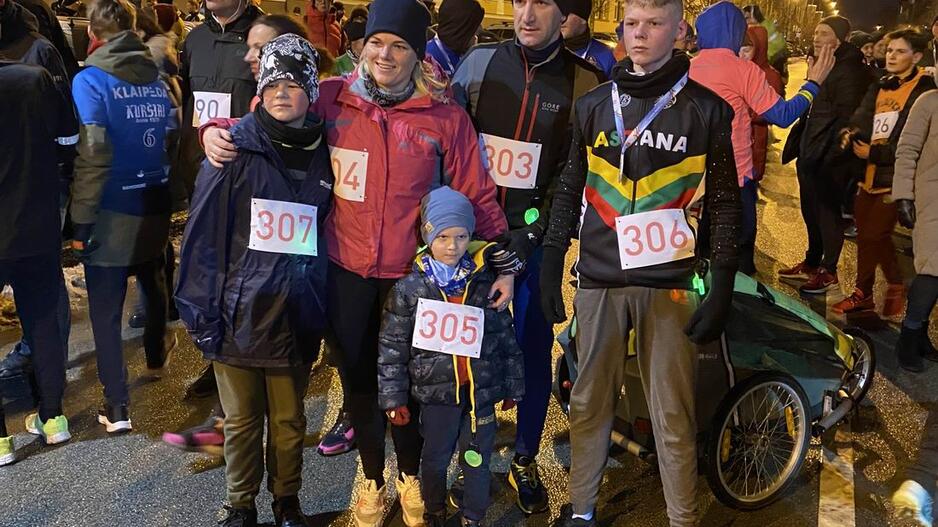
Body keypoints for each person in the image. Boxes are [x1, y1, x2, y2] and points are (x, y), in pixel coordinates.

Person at [201, 0, 513, 524]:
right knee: (361, 384)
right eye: (377, 43)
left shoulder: (445, 117)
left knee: (413, 384)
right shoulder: (332, 98)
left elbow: (475, 192)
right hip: (344, 271)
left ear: (417, 55)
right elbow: (272, 110)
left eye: (399, 46)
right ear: (363, 47)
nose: (385, 55)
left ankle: (410, 476)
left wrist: (502, 258)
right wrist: (216, 128)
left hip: (413, 278)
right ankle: (372, 478)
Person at [541, 0, 741, 524]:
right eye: (631, 23)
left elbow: (725, 203)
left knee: (672, 412)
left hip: (670, 281)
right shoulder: (592, 104)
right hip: (600, 277)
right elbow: (569, 186)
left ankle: (682, 518)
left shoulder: (707, 109)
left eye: (654, 24)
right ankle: (582, 510)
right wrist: (551, 258)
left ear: (679, 31)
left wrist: (721, 281)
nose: (640, 34)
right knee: (588, 404)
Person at [450, 0, 604, 515]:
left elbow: (572, 174)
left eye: (542, 3)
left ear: (566, 14)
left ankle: (524, 455)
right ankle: (470, 456)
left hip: (535, 245)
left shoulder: (586, 82)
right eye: (520, 1)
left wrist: (534, 234)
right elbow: (453, 148)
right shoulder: (478, 63)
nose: (527, 14)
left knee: (533, 351)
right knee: (467, 354)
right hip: (474, 240)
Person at [176, 34, 330, 527]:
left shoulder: (329, 152)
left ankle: (287, 501)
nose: (282, 92)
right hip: (237, 314)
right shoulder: (234, 149)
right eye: (273, 82)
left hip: (296, 314)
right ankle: (240, 505)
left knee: (288, 420)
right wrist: (202, 313)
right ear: (260, 90)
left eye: (294, 83)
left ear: (311, 91)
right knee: (242, 420)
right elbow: (203, 238)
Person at [378, 186, 525, 527]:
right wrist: (393, 398)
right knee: (434, 460)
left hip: (479, 396)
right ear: (428, 236)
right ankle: (434, 512)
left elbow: (505, 336)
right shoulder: (410, 289)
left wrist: (513, 385)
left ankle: (473, 516)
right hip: (437, 397)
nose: (452, 246)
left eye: (461, 236)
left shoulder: (485, 284)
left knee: (477, 461)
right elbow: (392, 348)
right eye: (442, 236)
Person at [70, 0, 175, 434]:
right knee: (153, 275)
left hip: (112, 206)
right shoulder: (157, 77)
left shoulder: (90, 81)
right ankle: (155, 356)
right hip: (154, 198)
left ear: (93, 34)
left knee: (106, 310)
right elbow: (171, 134)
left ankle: (117, 405)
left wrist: (80, 218)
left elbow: (93, 153)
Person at [690, 1, 833, 276]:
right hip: (735, 176)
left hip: (693, 176)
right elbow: (783, 115)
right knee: (738, 248)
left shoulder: (687, 68)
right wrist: (813, 84)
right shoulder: (744, 70)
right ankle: (736, 296)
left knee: (700, 246)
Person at [0, 58, 78, 464]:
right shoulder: (34, 79)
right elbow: (69, 141)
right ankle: (53, 418)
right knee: (44, 320)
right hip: (35, 222)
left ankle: (1, 443)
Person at [832, 30, 935, 321]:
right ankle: (888, 286)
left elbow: (914, 141)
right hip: (867, 174)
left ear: (917, 56)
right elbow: (863, 117)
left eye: (900, 51)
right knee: (871, 235)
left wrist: (875, 153)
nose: (891, 55)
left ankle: (867, 292)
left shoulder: (924, 91)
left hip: (896, 177)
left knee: (873, 234)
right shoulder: (882, 84)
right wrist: (851, 133)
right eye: (889, 50)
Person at [0, 0, 75, 382]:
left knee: (43, 280)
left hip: (35, 186)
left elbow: (64, 126)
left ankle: (45, 360)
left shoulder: (38, 50)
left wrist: (57, 175)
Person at [778, 15, 875, 295]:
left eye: (825, 33)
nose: (817, 37)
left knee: (828, 215)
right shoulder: (821, 64)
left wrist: (833, 155)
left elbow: (848, 118)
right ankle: (811, 262)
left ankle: (828, 271)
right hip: (810, 149)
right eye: (817, 32)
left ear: (841, 39)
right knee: (810, 211)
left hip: (831, 156)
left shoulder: (850, 70)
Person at [890, 70, 938, 373]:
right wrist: (903, 196)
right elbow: (907, 150)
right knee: (932, 270)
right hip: (932, 198)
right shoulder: (929, 101)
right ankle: (907, 337)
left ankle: (919, 335)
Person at [13, 0, 80, 77]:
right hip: (51, 70)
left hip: (47, 74)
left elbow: (43, 53)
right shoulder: (31, 5)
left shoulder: (29, 7)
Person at [425, 0, 483, 78]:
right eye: (475, 27)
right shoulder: (427, 60)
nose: (479, 31)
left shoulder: (463, 54)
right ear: (461, 29)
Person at [560, 0, 616, 77]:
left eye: (566, 14)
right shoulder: (547, 51)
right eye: (558, 13)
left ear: (583, 19)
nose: (561, 19)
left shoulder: (606, 56)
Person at [742, 4, 787, 84]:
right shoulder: (765, 25)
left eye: (747, 18)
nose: (746, 21)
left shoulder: (762, 29)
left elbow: (771, 47)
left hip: (774, 60)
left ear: (754, 16)